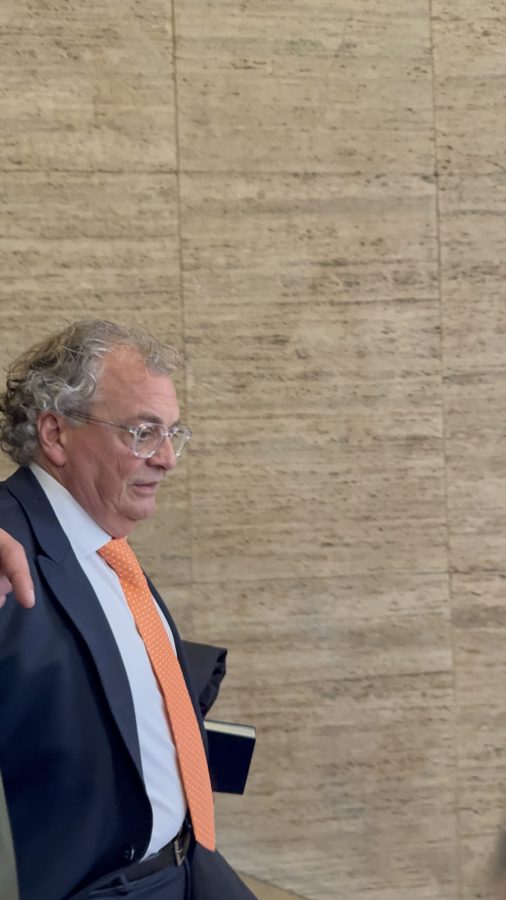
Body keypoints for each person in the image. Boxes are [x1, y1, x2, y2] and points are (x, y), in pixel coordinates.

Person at [0, 321, 256, 900]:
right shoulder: (7, 547)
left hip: (192, 865)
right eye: (142, 432)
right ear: (55, 434)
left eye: (172, 434)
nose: (167, 459)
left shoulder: (109, 550)